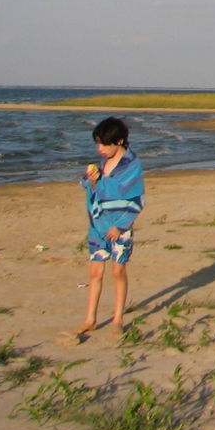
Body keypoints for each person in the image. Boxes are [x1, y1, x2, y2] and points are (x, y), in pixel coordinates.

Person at [74, 116, 144, 338]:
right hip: (98, 225)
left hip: (119, 228)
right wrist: (91, 179)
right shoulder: (102, 165)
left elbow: (137, 201)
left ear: (120, 141)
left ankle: (117, 319)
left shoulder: (131, 165)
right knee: (95, 271)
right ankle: (90, 319)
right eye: (98, 144)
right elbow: (93, 190)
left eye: (105, 144)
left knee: (118, 271)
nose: (100, 148)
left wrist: (120, 227)